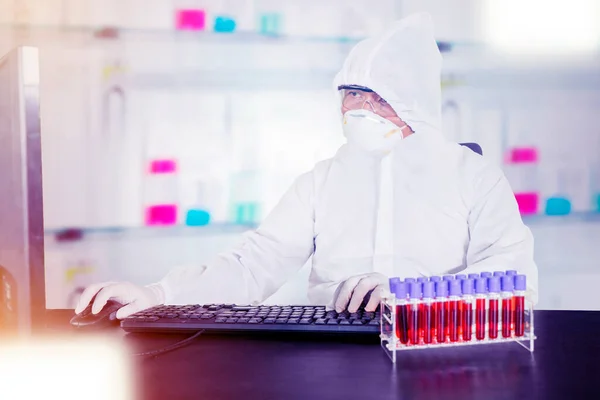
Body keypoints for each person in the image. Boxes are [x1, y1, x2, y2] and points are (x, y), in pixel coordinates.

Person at [76, 13, 538, 319]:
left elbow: (515, 279)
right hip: (332, 347)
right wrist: (159, 296)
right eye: (351, 95)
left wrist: (411, 295)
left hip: (438, 349)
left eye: (377, 98)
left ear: (413, 103)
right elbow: (254, 264)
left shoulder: (474, 178)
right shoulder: (322, 180)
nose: (358, 108)